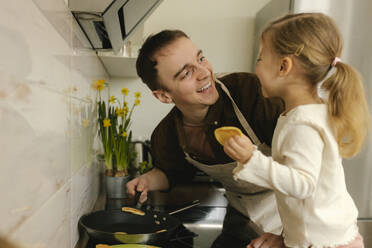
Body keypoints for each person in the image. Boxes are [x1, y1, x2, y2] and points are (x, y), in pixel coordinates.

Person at [126, 29, 286, 247]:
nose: (203, 73)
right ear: (164, 95)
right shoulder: (168, 133)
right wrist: (147, 181)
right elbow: (170, 173)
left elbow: (312, 165)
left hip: (295, 210)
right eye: (186, 73)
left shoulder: (249, 92)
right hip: (241, 217)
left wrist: (290, 236)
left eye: (201, 59)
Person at [224, 13, 369, 248]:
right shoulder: (312, 112)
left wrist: (251, 159)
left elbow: (303, 184)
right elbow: (310, 199)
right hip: (327, 239)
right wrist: (286, 237)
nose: (256, 67)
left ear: (284, 66)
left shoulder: (302, 123)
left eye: (261, 58)